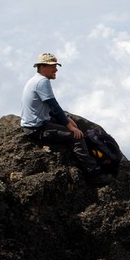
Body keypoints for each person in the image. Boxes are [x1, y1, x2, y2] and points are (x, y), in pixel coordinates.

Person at [20, 53, 111, 185]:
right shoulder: (42, 82)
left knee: (69, 118)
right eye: (53, 66)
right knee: (76, 137)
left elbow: (51, 108)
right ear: (43, 67)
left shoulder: (36, 79)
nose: (56, 70)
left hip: (38, 122)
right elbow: (54, 107)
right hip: (35, 128)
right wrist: (70, 127)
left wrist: (67, 118)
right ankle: (93, 174)